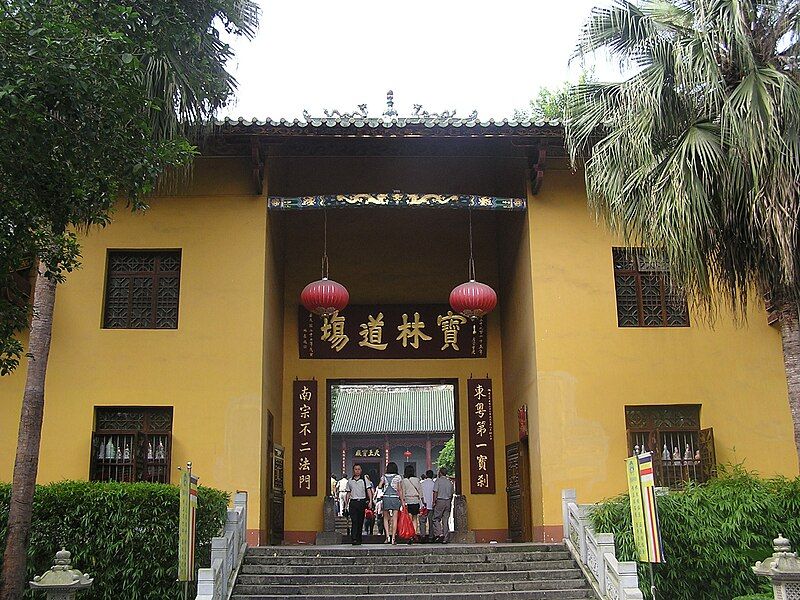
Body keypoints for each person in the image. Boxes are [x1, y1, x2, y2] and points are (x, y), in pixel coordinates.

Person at [345, 463, 373, 545]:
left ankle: (359, 538)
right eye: (355, 469)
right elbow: (348, 493)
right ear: (353, 470)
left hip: (361, 501)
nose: (357, 471)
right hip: (353, 502)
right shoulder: (350, 481)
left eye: (359, 469)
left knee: (360, 521)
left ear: (361, 470)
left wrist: (370, 501)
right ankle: (353, 538)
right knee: (354, 521)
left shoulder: (364, 479)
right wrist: (346, 504)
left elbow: (368, 490)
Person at [377, 461, 405, 544]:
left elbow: (379, 486)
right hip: (395, 498)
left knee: (385, 518)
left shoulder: (384, 477)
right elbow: (400, 490)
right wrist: (402, 501)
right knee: (394, 519)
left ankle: (387, 537)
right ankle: (393, 538)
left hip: (386, 498)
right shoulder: (398, 477)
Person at [432, 466, 454, 544]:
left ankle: (439, 533)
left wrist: (434, 501)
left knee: (436, 518)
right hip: (448, 501)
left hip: (440, 500)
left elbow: (435, 492)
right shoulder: (450, 482)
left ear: (440, 473)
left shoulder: (438, 481)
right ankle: (445, 537)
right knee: (445, 520)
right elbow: (452, 493)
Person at [401, 465, 423, 539]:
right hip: (415, 500)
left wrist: (403, 501)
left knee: (409, 519)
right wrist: (421, 499)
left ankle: (409, 534)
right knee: (415, 518)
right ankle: (414, 533)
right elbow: (420, 491)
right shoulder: (417, 480)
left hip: (408, 500)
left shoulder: (404, 481)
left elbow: (403, 492)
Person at [419, 469, 435, 542]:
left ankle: (422, 536)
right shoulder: (434, 484)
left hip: (423, 505)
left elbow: (420, 494)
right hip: (431, 505)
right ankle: (431, 537)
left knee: (422, 521)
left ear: (426, 475)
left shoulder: (422, 484)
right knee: (431, 521)